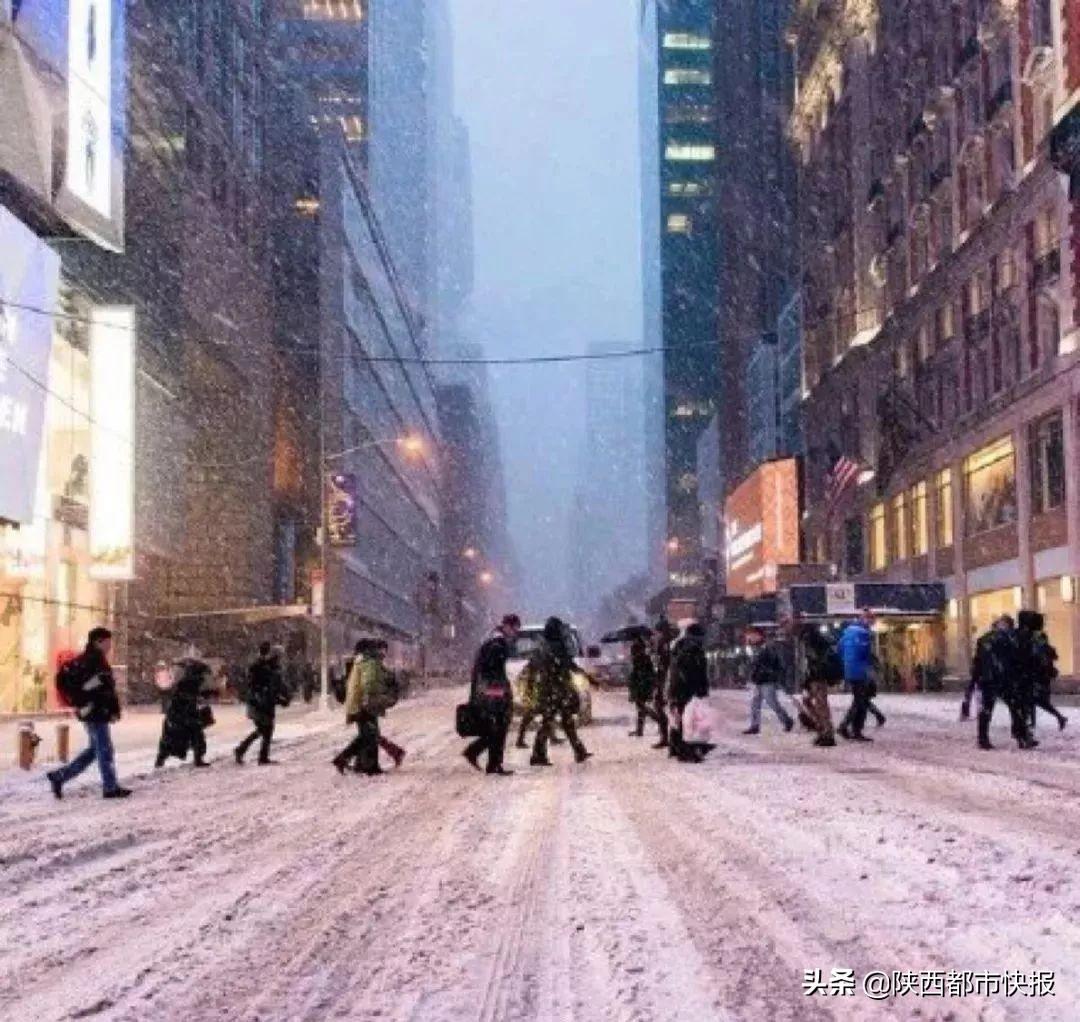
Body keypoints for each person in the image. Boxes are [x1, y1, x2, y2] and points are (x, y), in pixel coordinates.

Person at [47, 627, 131, 799]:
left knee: (96, 750)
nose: (110, 645)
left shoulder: (93, 660)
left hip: (94, 710)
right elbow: (103, 689)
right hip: (95, 711)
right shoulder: (92, 661)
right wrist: (106, 706)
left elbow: (104, 688)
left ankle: (60, 776)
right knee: (104, 750)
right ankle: (110, 787)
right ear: (98, 642)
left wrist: (112, 708)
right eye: (107, 642)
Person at [463, 614, 521, 775]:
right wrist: (500, 693)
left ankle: (486, 760)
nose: (515, 632)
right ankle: (491, 762)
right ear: (508, 626)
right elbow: (492, 672)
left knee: (495, 728)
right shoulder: (497, 644)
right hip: (493, 692)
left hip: (488, 690)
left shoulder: (492, 640)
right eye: (515, 628)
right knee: (499, 727)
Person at [529, 617, 591, 766]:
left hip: (548, 689)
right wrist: (587, 677)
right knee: (561, 722)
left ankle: (540, 754)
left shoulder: (542, 646)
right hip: (559, 689)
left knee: (551, 722)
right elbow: (568, 665)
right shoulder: (557, 646)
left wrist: (532, 685)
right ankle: (576, 751)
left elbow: (534, 666)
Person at [333, 639, 400, 775]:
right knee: (369, 735)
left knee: (368, 735)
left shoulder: (366, 661)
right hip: (364, 704)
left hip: (359, 703)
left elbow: (378, 676)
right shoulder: (370, 662)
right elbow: (369, 682)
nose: (384, 652)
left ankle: (362, 764)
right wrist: (371, 697)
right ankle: (353, 762)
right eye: (381, 649)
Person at [971, 615, 1035, 750]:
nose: (1006, 627)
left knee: (1002, 708)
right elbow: (979, 662)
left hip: (996, 679)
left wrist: (976, 679)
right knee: (1009, 707)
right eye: (1005, 624)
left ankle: (987, 738)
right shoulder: (1006, 640)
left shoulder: (988, 640)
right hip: (999, 679)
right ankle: (1019, 736)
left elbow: (978, 662)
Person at [235, 642, 290, 765]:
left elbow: (275, 686)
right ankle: (257, 755)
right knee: (265, 729)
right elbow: (264, 686)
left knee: (264, 730)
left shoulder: (270, 667)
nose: (280, 659)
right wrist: (278, 698)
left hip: (264, 703)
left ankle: (244, 751)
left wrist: (281, 698)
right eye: (279, 656)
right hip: (260, 703)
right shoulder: (263, 667)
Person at [155, 658, 214, 769]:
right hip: (186, 711)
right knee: (195, 735)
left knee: (171, 737)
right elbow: (202, 694)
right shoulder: (195, 680)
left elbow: (174, 691)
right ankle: (198, 759)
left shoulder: (183, 679)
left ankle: (161, 759)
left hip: (178, 711)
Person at [1017, 611, 1067, 732]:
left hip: (1036, 674)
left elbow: (1041, 655)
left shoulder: (1036, 637)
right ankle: (1032, 722)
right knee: (1033, 700)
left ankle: (1057, 717)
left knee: (1035, 699)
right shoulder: (1036, 636)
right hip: (1037, 673)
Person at [667, 623, 710, 762]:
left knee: (679, 717)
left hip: (677, 687)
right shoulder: (692, 649)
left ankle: (674, 747)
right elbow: (694, 671)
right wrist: (700, 688)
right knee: (688, 720)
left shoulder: (679, 646)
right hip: (685, 688)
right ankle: (684, 752)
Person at [743, 626, 794, 735]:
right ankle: (755, 725)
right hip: (759, 679)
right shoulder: (754, 648)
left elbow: (774, 662)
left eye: (751, 635)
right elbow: (754, 664)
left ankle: (786, 720)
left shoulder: (767, 647)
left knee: (772, 702)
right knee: (755, 703)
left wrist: (769, 672)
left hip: (767, 679)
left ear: (758, 635)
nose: (749, 638)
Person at [838, 609, 876, 742]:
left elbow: (840, 649)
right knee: (861, 702)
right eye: (871, 620)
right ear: (866, 619)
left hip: (849, 670)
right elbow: (864, 654)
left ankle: (849, 728)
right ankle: (852, 729)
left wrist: (846, 664)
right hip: (860, 671)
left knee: (859, 700)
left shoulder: (847, 633)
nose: (872, 623)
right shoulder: (864, 634)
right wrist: (870, 668)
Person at [800, 625, 839, 747]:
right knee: (811, 702)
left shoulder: (814, 644)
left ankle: (827, 733)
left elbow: (815, 665)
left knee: (821, 705)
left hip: (818, 679)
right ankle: (823, 729)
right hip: (816, 678)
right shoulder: (818, 643)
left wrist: (809, 680)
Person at [628, 636, 667, 741]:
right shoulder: (643, 658)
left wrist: (636, 685)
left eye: (632, 650)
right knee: (640, 709)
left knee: (642, 708)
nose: (631, 651)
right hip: (642, 686)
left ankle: (660, 721)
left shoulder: (640, 659)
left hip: (641, 687)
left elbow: (639, 674)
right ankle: (640, 730)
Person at [651, 617, 679, 749]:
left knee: (664, 707)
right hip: (664, 679)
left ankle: (668, 737)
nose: (657, 634)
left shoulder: (666, 643)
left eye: (658, 631)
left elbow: (665, 663)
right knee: (664, 707)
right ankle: (668, 736)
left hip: (666, 679)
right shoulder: (666, 643)